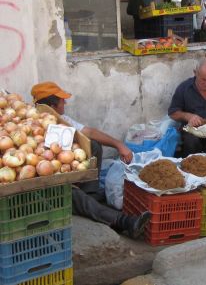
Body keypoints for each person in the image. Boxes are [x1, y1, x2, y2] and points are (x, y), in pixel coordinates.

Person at [31, 81, 150, 239]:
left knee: (93, 145)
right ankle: (124, 222)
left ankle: (90, 193)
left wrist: (118, 144)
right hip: (44, 185)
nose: (65, 102)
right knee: (74, 196)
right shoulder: (34, 126)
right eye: (62, 100)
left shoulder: (60, 118)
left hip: (64, 173)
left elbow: (90, 132)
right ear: (53, 105)